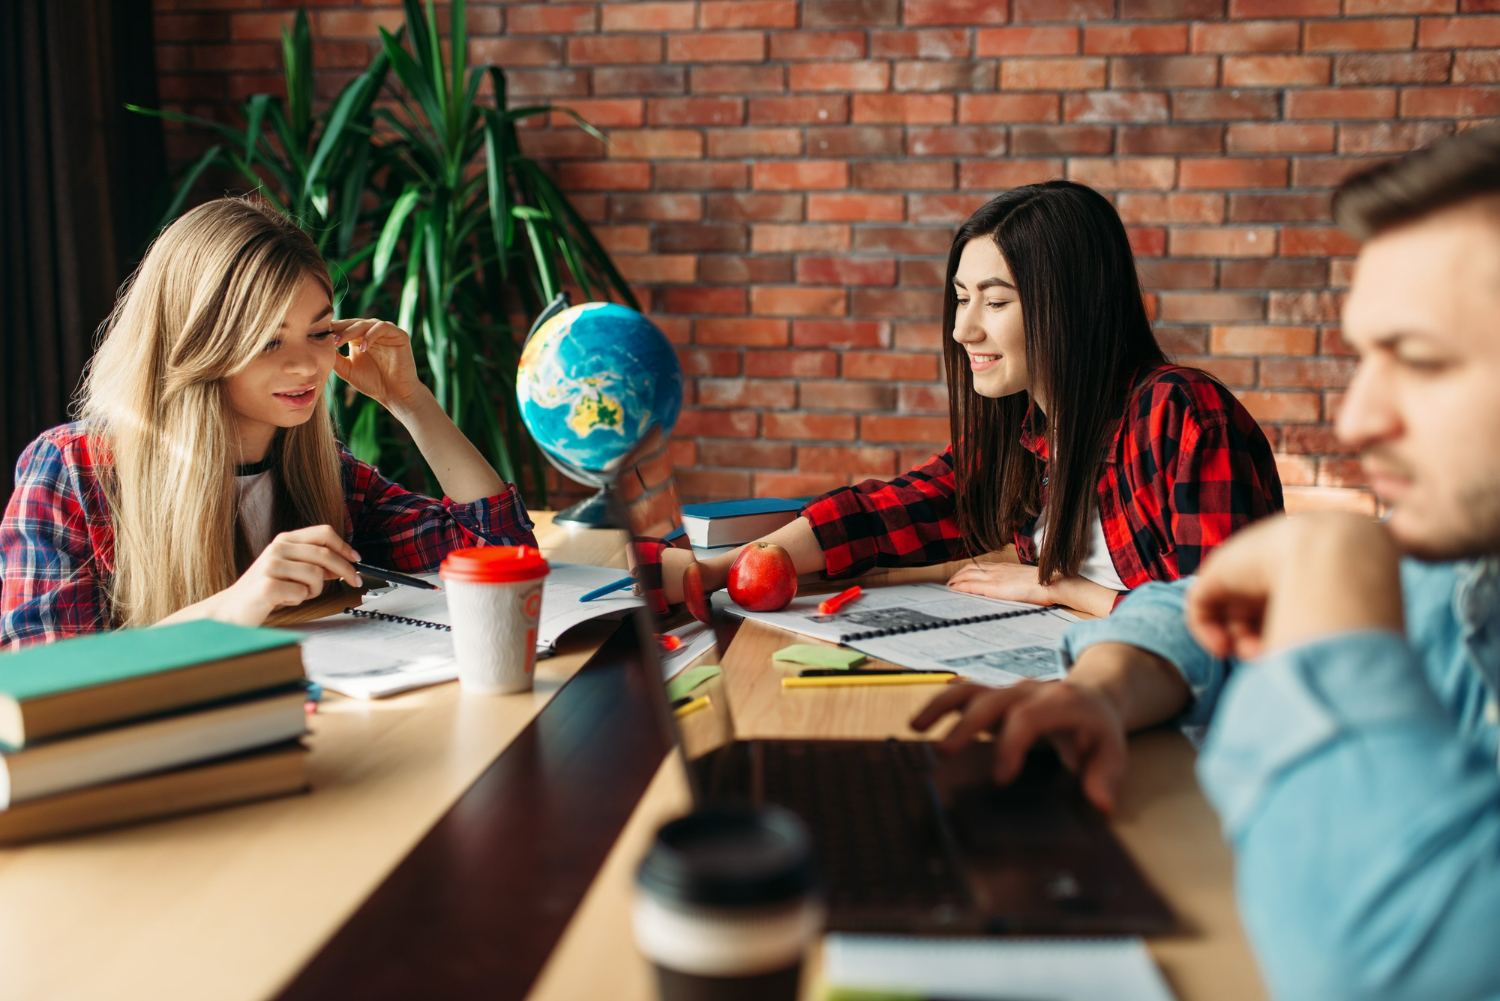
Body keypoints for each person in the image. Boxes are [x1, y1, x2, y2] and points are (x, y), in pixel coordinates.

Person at [920, 125, 1500, 1000]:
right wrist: (1103, 691)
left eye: (1419, 359)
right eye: (1365, 357)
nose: (1357, 420)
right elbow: (1194, 601)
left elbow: (1382, 969)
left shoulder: (1176, 412)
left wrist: (1330, 619)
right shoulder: (1450, 567)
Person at [664, 180, 1283, 617]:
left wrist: (1062, 588)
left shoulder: (1178, 414)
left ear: (1070, 309)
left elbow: (1222, 622)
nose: (964, 330)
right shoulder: (1031, 432)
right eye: (962, 298)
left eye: (996, 301)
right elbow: (889, 513)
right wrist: (726, 570)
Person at [0, 196, 535, 649]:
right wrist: (237, 605)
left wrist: (411, 401)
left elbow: (500, 552)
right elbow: (39, 680)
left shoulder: (323, 471)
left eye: (320, 332)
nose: (306, 366)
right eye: (268, 341)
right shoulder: (74, 471)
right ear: (195, 343)